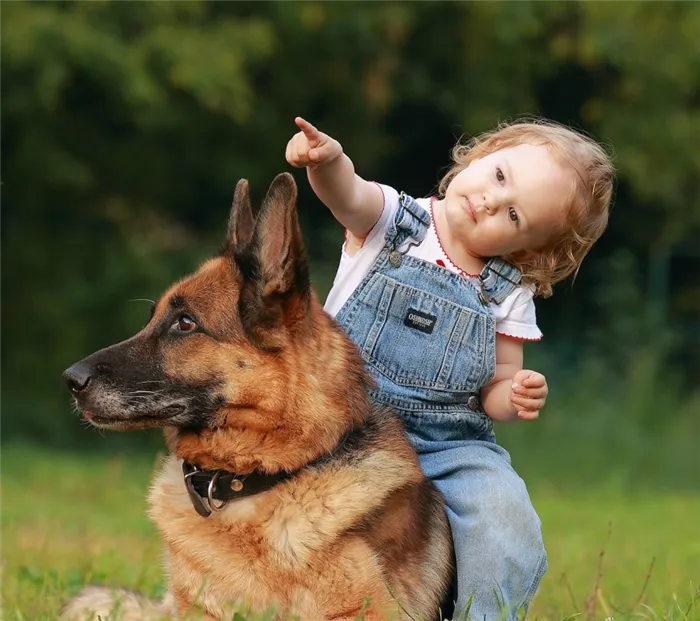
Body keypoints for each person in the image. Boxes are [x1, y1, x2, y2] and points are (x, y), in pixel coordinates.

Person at [286, 116, 614, 620]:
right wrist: (328, 162)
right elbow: (346, 195)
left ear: (527, 249)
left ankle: (483, 613)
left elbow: (495, 387)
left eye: (513, 215)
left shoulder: (509, 292)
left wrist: (515, 393)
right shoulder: (395, 220)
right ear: (485, 151)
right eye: (500, 177)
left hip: (446, 441)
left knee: (504, 514)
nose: (489, 202)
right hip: (342, 416)